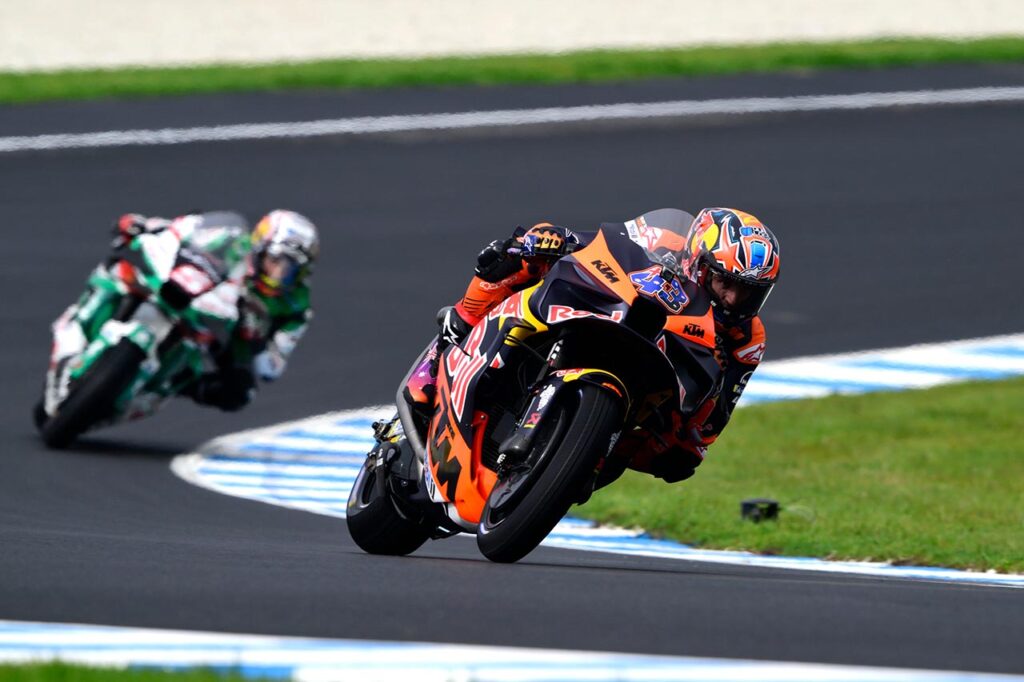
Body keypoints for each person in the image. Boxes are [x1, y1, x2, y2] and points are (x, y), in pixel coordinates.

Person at [412, 208, 780, 485]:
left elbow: (718, 414)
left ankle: (570, 465)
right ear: (698, 262)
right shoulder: (665, 238)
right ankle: (447, 345)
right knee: (519, 255)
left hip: (654, 378)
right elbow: (603, 242)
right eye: (725, 283)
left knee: (673, 457)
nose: (734, 300)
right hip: (611, 312)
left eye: (750, 293)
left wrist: (692, 445)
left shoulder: (747, 338)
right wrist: (558, 238)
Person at [54, 209, 317, 414]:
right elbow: (183, 229)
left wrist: (255, 339)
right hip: (192, 292)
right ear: (259, 247)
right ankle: (83, 318)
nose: (280, 273)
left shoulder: (296, 307)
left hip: (226, 338)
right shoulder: (233, 241)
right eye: (275, 261)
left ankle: (168, 387)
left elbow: (272, 368)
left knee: (240, 393)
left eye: (291, 269)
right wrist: (143, 225)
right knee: (121, 265)